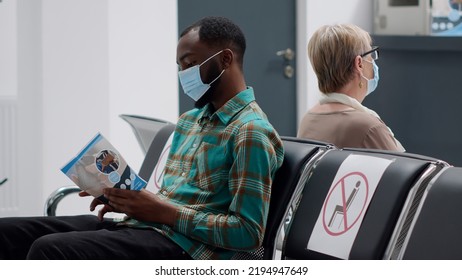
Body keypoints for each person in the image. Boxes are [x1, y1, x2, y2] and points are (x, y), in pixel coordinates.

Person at [0, 16, 284, 260]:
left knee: (49, 251)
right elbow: (170, 201)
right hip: (146, 228)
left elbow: (248, 233)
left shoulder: (250, 132)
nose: (184, 74)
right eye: (180, 66)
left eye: (190, 63)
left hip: (187, 251)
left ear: (225, 59)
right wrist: (123, 199)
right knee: (9, 233)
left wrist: (164, 212)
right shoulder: (190, 122)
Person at [297, 23, 405, 151]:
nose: (373, 62)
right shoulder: (369, 128)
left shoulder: (308, 119)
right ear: (359, 63)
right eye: (371, 55)